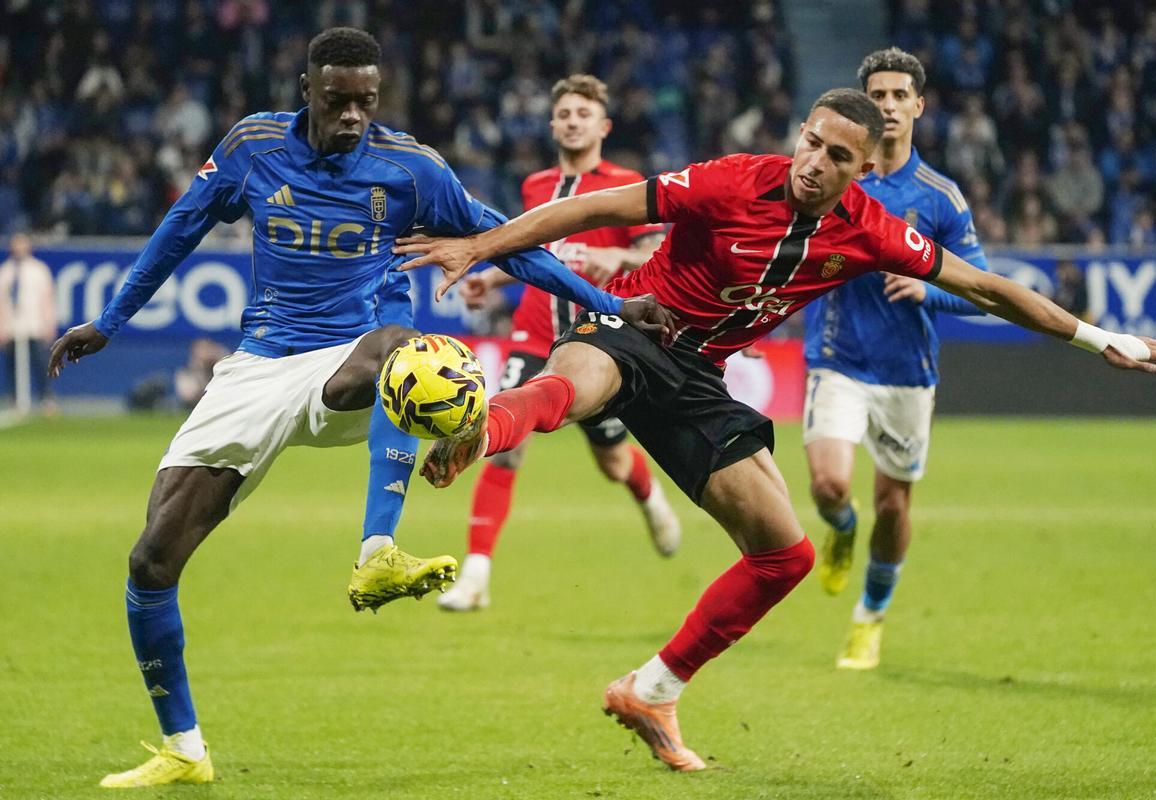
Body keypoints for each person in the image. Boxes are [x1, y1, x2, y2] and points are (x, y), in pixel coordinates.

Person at [393, 88, 1156, 771]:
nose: (814, 162)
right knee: (574, 383)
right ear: (799, 135)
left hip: (699, 384)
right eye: (810, 142)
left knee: (786, 556)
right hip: (637, 326)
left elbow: (983, 286)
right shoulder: (733, 180)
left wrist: (1097, 338)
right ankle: (481, 430)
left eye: (837, 156)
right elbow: (595, 207)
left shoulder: (872, 230)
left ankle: (652, 690)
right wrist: (481, 245)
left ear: (862, 169)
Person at [46, 28, 669, 788]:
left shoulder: (410, 168)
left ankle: (378, 550)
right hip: (258, 368)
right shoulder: (252, 147)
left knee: (407, 349)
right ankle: (184, 747)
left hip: (354, 362)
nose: (351, 116)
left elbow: (510, 242)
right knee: (151, 561)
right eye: (337, 100)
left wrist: (612, 305)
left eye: (365, 102)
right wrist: (110, 321)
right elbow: (180, 229)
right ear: (306, 90)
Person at [439, 74, 680, 612]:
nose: (573, 122)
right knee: (503, 444)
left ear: (604, 126)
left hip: (597, 344)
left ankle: (647, 494)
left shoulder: (627, 183)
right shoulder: (535, 186)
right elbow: (537, 257)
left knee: (613, 462)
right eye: (565, 113)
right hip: (533, 335)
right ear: (552, 124)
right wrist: (490, 278)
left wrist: (619, 257)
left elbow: (658, 256)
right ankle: (476, 575)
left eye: (583, 114)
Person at [803, 47, 989, 670]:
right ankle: (841, 527)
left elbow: (981, 287)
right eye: (877, 95)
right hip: (836, 356)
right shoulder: (834, 172)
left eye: (898, 95)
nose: (887, 105)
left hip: (907, 371)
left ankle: (870, 615)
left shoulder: (940, 197)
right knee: (829, 484)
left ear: (918, 106)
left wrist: (927, 288)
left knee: (893, 504)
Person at [0, 233, 57, 414]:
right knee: (12, 366)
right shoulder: (5, 271)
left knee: (40, 363)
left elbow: (47, 299)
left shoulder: (39, 270)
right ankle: (15, 399)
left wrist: (49, 324)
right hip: (11, 326)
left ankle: (46, 398)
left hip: (34, 324)